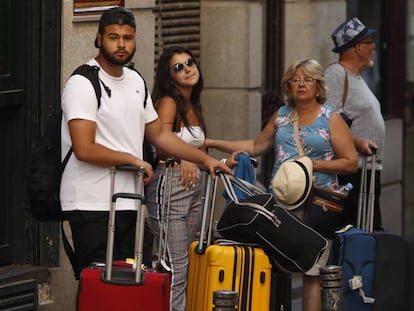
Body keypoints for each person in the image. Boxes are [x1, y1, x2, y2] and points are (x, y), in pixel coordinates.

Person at [60, 7, 230, 278]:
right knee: (98, 286)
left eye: (127, 38)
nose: (121, 44)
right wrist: (132, 160)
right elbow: (84, 148)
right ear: (99, 38)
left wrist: (204, 159)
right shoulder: (83, 82)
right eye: (113, 37)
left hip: (130, 200)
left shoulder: (136, 81)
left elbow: (160, 135)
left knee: (128, 286)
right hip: (90, 203)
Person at [206, 59, 358, 311]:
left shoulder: (330, 118)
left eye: (308, 79)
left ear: (318, 85)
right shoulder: (282, 116)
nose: (301, 84)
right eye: (295, 79)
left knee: (311, 269)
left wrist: (311, 165)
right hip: (282, 202)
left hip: (317, 204)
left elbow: (351, 163)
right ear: (288, 85)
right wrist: (212, 142)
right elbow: (255, 146)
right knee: (274, 262)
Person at [145, 46, 207, 311]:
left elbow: (198, 146)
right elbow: (160, 143)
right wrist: (185, 157)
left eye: (190, 62)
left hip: (194, 189)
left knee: (185, 263)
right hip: (170, 185)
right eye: (178, 67)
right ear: (169, 78)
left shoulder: (193, 103)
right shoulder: (169, 102)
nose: (188, 68)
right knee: (176, 266)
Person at [324, 17, 385, 231]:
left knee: (368, 232)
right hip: (352, 174)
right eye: (369, 42)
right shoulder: (336, 74)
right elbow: (327, 120)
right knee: (354, 233)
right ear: (357, 47)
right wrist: (357, 142)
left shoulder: (358, 78)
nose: (374, 47)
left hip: (367, 171)